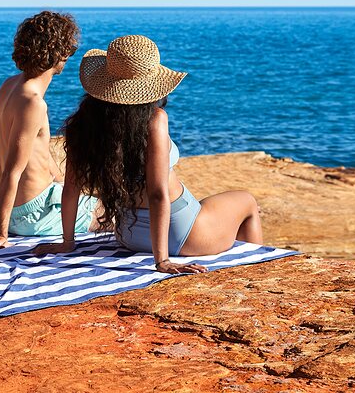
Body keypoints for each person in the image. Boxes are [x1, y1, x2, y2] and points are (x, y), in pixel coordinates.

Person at [33, 35, 263, 273]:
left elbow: (71, 187)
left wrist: (67, 243)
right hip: (179, 233)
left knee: (208, 205)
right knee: (247, 201)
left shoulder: (83, 125)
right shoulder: (155, 120)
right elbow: (157, 193)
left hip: (128, 234)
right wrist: (161, 260)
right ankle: (257, 277)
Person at [0, 11, 99, 252]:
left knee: (95, 203)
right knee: (117, 216)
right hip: (34, 213)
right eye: (69, 50)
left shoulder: (9, 86)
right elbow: (13, 171)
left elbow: (38, 154)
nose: (69, 56)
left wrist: (66, 189)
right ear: (58, 53)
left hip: (29, 207)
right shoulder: (33, 102)